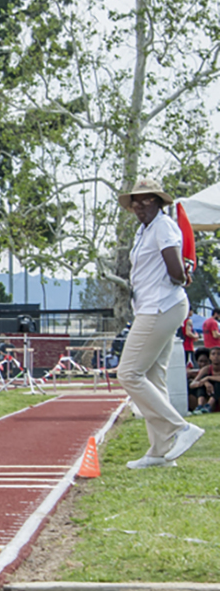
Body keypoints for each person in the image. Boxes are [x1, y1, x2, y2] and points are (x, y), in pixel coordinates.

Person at [116, 178, 203, 468]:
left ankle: (179, 429)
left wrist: (183, 273)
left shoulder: (163, 226)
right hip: (154, 306)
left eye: (146, 201)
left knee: (128, 373)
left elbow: (176, 271)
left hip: (160, 307)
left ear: (157, 202)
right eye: (135, 202)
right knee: (154, 377)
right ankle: (160, 453)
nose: (139, 207)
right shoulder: (145, 230)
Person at [189, 346, 220, 414]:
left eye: (218, 354)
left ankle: (209, 405)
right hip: (207, 393)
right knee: (203, 378)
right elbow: (192, 384)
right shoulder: (206, 369)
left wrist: (208, 378)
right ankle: (200, 406)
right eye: (213, 354)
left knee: (218, 383)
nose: (216, 356)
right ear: (210, 357)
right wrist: (205, 382)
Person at [188, 347, 212, 412]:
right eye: (200, 361)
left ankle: (202, 406)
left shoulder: (211, 370)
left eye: (205, 361)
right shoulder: (196, 372)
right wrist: (204, 382)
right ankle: (199, 407)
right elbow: (192, 384)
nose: (203, 364)